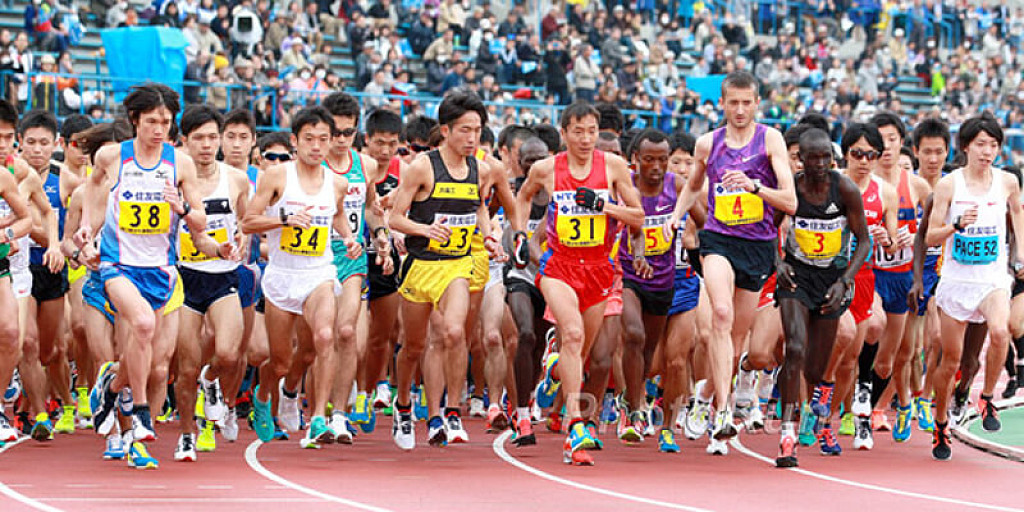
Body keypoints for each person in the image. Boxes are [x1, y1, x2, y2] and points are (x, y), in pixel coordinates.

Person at [76, 84, 222, 469]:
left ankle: (111, 387)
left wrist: (183, 207)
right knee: (142, 325)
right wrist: (87, 229)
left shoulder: (180, 164)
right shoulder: (112, 156)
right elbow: (93, 187)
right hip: (117, 264)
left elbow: (200, 222)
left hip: (159, 269)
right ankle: (139, 411)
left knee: (149, 350)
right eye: (152, 121)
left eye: (166, 122)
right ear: (135, 120)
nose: (159, 129)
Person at [670, 71, 797, 442]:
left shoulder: (770, 140)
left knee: (736, 339)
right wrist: (676, 216)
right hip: (718, 240)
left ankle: (705, 395)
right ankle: (723, 410)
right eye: (733, 103)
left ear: (757, 103)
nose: (740, 110)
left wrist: (755, 187)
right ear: (722, 104)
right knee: (721, 314)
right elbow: (693, 186)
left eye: (746, 103)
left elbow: (790, 201)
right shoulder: (707, 144)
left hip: (757, 246)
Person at [515, 101, 644, 465]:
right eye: (578, 132)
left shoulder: (613, 167)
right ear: (564, 133)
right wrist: (520, 235)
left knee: (580, 353)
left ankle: (554, 368)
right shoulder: (546, 169)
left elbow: (638, 217)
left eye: (591, 132)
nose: (586, 139)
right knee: (572, 334)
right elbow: (522, 198)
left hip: (600, 269)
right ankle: (575, 427)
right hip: (560, 266)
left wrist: (603, 207)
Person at [242, 106, 362, 448]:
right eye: (309, 139)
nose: (317, 146)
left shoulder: (337, 184)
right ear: (295, 141)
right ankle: (264, 395)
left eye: (323, 139)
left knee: (323, 338)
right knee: (281, 361)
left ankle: (319, 417)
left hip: (318, 273)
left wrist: (349, 238)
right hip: (282, 276)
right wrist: (283, 219)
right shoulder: (276, 177)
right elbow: (248, 222)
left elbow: (337, 217)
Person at [387, 92, 501, 450]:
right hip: (421, 266)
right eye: (465, 130)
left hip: (457, 265)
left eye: (477, 131)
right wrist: (425, 230)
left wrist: (489, 235)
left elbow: (479, 208)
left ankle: (450, 412)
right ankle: (403, 405)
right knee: (413, 346)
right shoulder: (422, 167)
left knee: (454, 332)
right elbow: (395, 218)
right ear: (447, 130)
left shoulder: (481, 170)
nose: (472, 138)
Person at [926, 112, 1024, 461]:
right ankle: (941, 422)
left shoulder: (1007, 182)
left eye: (994, 145)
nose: (988, 152)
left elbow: (1018, 214)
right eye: (981, 144)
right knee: (951, 360)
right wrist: (954, 226)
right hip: (956, 282)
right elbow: (931, 235)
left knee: (1000, 331)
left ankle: (986, 398)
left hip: (992, 280)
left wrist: (1021, 254)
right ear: (966, 146)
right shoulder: (949, 185)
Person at [774, 128, 870, 467]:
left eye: (825, 158)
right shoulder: (792, 188)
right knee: (795, 347)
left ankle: (790, 379)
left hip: (831, 281)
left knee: (814, 371)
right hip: (796, 278)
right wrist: (778, 263)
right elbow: (768, 228)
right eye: (812, 158)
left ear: (832, 159)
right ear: (800, 160)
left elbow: (864, 241)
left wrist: (845, 280)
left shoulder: (844, 189)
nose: (819, 164)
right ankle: (787, 435)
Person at [172, 105, 250, 462]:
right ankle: (187, 434)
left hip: (223, 275)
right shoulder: (174, 181)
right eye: (198, 138)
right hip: (185, 278)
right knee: (185, 368)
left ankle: (211, 379)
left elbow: (246, 219)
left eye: (212, 137)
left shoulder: (236, 179)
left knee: (229, 354)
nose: (206, 145)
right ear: (184, 141)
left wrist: (243, 239)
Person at [318, 92, 390, 444]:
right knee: (318, 341)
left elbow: (372, 210)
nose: (341, 139)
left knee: (347, 334)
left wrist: (381, 236)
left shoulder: (366, 165)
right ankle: (302, 402)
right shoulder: (313, 164)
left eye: (348, 132)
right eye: (335, 132)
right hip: (315, 258)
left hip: (352, 257)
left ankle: (339, 415)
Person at [617, 128, 694, 450]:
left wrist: (691, 231)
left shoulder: (677, 186)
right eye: (649, 159)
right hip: (630, 275)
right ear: (636, 159)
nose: (657, 167)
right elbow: (631, 226)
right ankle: (634, 409)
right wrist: (636, 255)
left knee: (659, 358)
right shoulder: (624, 186)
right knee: (634, 335)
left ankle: (661, 422)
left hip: (668, 281)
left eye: (663, 160)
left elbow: (703, 220)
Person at [863, 111, 931, 442]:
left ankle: (896, 403)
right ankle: (854, 408)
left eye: (893, 139)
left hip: (903, 276)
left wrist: (914, 236)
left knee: (889, 360)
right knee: (867, 332)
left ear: (903, 142)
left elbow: (935, 231)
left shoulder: (916, 185)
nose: (887, 146)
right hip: (871, 273)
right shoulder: (863, 183)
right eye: (881, 140)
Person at [17, 109, 74, 441]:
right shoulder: (12, 177)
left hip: (52, 270)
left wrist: (70, 244)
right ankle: (39, 414)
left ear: (56, 144)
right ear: (20, 142)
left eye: (44, 143)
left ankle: (44, 401)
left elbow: (85, 206)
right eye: (31, 142)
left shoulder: (64, 178)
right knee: (28, 343)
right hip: (20, 270)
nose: (37, 149)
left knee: (50, 351)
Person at [0, 115, 34, 443]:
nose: (2, 145)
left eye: (7, 137)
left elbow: (27, 219)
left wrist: (7, 234)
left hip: (2, 267)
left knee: (11, 334)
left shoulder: (5, 176)